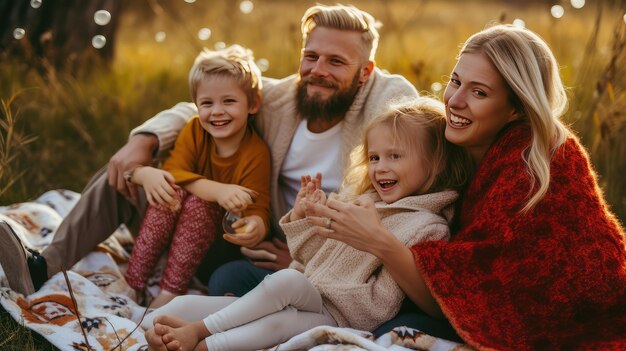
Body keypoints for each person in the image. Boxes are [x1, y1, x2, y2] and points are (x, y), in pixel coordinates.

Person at [0, 3, 418, 297]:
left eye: (336, 62)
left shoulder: (385, 100)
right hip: (244, 229)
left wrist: (303, 254)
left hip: (307, 256)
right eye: (311, 56)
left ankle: (175, 279)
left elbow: (403, 151)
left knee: (227, 282)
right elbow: (201, 105)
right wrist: (142, 141)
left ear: (366, 72)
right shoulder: (281, 98)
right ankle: (42, 267)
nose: (318, 71)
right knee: (129, 174)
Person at [302, 24, 626, 349]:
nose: (454, 101)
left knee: (395, 331)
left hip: (580, 323)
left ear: (517, 108)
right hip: (406, 296)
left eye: (479, 92)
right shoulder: (447, 143)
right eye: (455, 82)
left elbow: (470, 302)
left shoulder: (538, 164)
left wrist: (378, 241)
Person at [142, 98, 471, 351]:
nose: (380, 168)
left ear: (435, 163)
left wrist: (372, 243)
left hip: (340, 313)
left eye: (395, 157)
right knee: (181, 306)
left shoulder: (427, 226)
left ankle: (202, 340)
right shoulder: (359, 201)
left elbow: (383, 301)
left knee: (282, 298)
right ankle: (159, 330)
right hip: (305, 292)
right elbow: (309, 258)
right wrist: (305, 218)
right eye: (374, 158)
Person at [123, 44, 271, 308]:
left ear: (253, 103)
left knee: (201, 204)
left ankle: (170, 292)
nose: (217, 111)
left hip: (218, 250)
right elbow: (173, 173)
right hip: (176, 236)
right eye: (207, 103)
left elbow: (259, 207)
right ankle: (133, 282)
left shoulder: (256, 152)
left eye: (229, 101)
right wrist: (218, 190)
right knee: (170, 191)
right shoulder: (194, 130)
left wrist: (255, 227)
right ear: (196, 105)